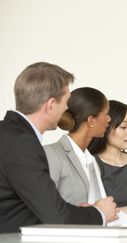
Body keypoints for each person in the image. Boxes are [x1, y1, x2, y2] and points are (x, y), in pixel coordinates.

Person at [0, 62, 117, 233]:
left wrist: (81, 212)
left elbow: (23, 206)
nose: (67, 108)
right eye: (66, 101)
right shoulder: (23, 143)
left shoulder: (7, 133)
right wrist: (99, 212)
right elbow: (56, 216)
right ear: (51, 105)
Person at [44, 87, 111, 206]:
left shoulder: (92, 161)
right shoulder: (51, 154)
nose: (109, 119)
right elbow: (44, 206)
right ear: (91, 121)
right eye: (106, 114)